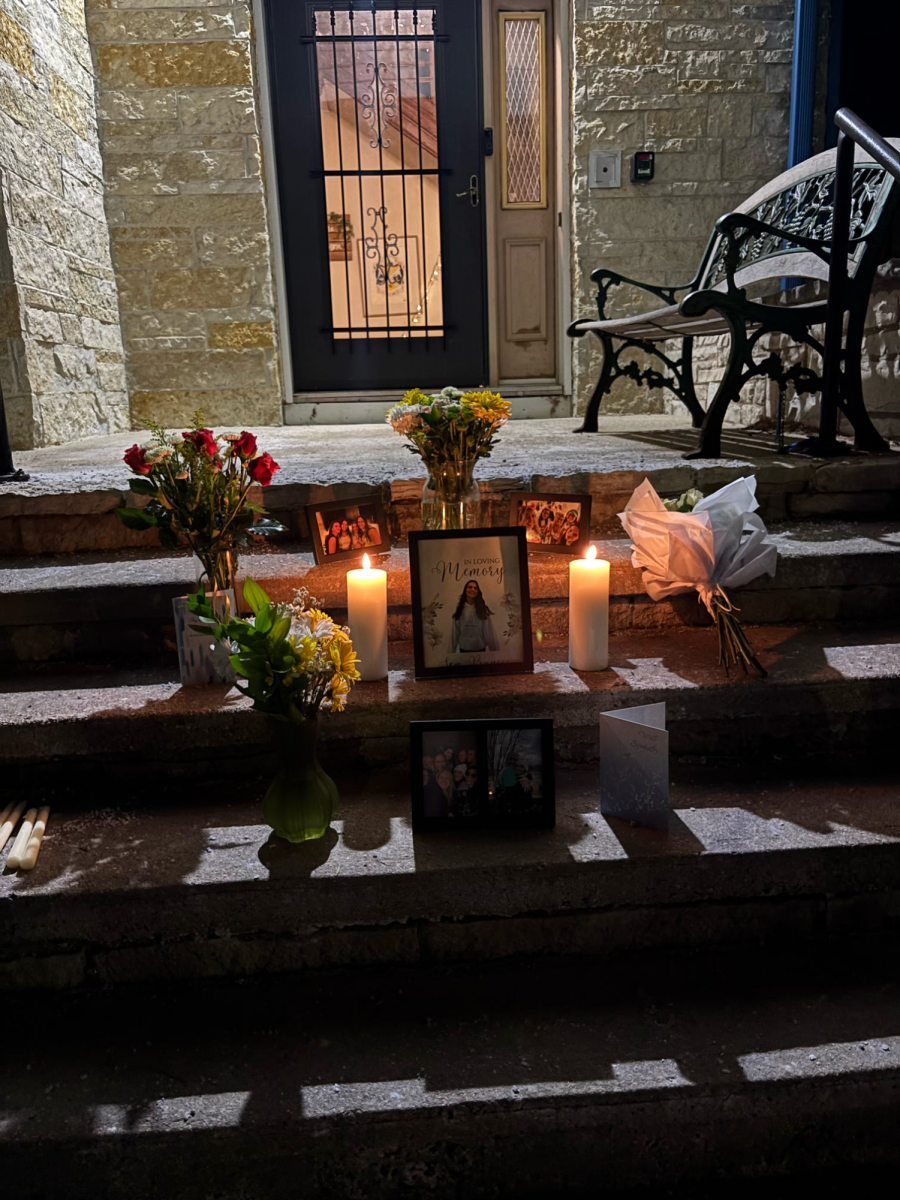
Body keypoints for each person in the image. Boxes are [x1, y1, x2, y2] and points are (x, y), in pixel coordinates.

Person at [450, 580, 499, 653]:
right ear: (465, 590)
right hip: (464, 649)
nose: (472, 589)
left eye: (475, 588)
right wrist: (450, 652)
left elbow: (489, 632)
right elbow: (455, 632)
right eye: (470, 587)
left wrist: (496, 652)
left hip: (480, 648)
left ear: (478, 591)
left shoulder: (483, 609)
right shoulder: (460, 609)